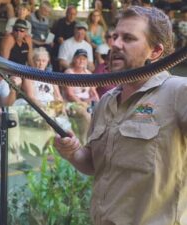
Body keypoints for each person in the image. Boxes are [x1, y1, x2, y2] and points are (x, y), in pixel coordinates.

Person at [54, 6, 187, 225]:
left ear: (155, 52)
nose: (114, 44)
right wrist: (74, 152)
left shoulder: (178, 92)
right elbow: (94, 164)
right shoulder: (106, 102)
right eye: (114, 36)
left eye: (128, 38)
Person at [63, 49, 99, 145]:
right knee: (86, 114)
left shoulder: (88, 74)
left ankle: (97, 142)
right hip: (72, 103)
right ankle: (85, 142)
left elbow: (93, 92)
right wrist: (83, 104)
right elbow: (69, 94)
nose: (81, 61)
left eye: (84, 59)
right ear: (74, 59)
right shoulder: (69, 73)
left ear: (87, 61)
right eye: (79, 58)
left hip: (86, 103)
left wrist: (99, 103)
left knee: (102, 113)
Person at [51, 5, 77, 71]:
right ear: (66, 13)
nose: (72, 16)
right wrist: (52, 41)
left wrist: (65, 43)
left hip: (69, 47)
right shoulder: (59, 22)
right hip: (57, 45)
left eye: (74, 14)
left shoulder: (76, 26)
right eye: (70, 13)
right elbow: (51, 34)